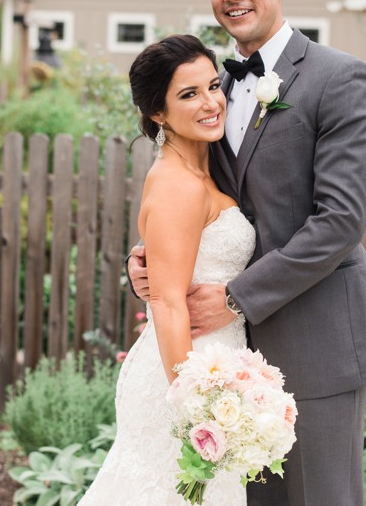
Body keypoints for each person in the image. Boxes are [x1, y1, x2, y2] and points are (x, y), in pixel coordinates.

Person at [128, 0, 366, 506]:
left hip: (316, 341)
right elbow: (195, 201)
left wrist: (235, 296)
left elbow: (340, 221)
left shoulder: (341, 79)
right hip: (228, 360)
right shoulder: (212, 90)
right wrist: (147, 262)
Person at [79, 35, 252, 506]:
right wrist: (193, 406)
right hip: (186, 377)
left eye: (214, 86)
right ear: (158, 112)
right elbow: (169, 301)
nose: (211, 102)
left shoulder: (205, 167)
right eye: (189, 94)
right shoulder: (178, 183)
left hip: (218, 365)